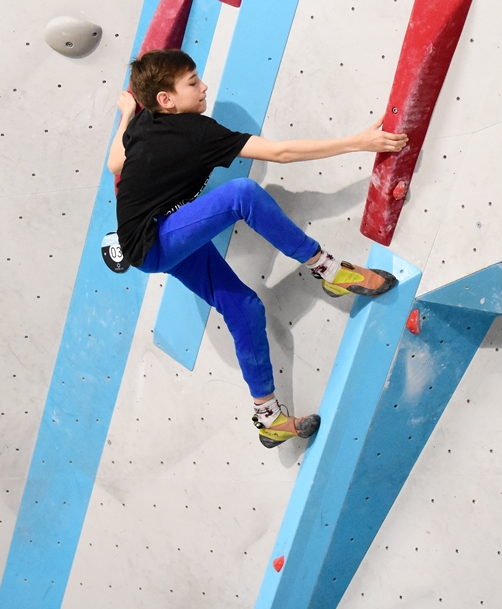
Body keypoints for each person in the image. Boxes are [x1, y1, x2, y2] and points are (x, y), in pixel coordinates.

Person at [102, 49, 408, 448]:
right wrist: (358, 143)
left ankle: (269, 418)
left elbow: (114, 164)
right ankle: (329, 270)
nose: (204, 86)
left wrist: (128, 113)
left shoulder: (145, 121)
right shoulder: (196, 132)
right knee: (240, 194)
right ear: (166, 100)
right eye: (193, 82)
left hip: (155, 242)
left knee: (245, 307)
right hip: (156, 241)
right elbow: (280, 154)